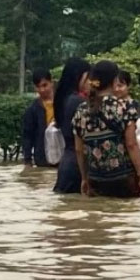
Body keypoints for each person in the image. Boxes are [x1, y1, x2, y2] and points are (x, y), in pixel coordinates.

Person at [73, 61, 140, 198]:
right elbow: (131, 145)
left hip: (96, 179)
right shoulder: (124, 107)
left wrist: (84, 178)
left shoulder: (81, 111)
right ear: (114, 80)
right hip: (124, 179)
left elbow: (79, 150)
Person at [53, 58, 91, 194]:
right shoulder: (77, 101)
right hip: (77, 165)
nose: (90, 83)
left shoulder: (64, 98)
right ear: (78, 77)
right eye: (87, 78)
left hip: (67, 163)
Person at [21, 69, 55, 167]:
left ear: (51, 83)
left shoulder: (63, 104)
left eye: (45, 85)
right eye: (38, 87)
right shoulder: (32, 110)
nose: (42, 90)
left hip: (62, 157)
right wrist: (27, 160)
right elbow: (27, 136)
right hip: (42, 159)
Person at [116, 70, 140, 152]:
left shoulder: (137, 106)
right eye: (115, 86)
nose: (117, 89)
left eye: (120, 86)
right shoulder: (110, 105)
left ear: (128, 86)